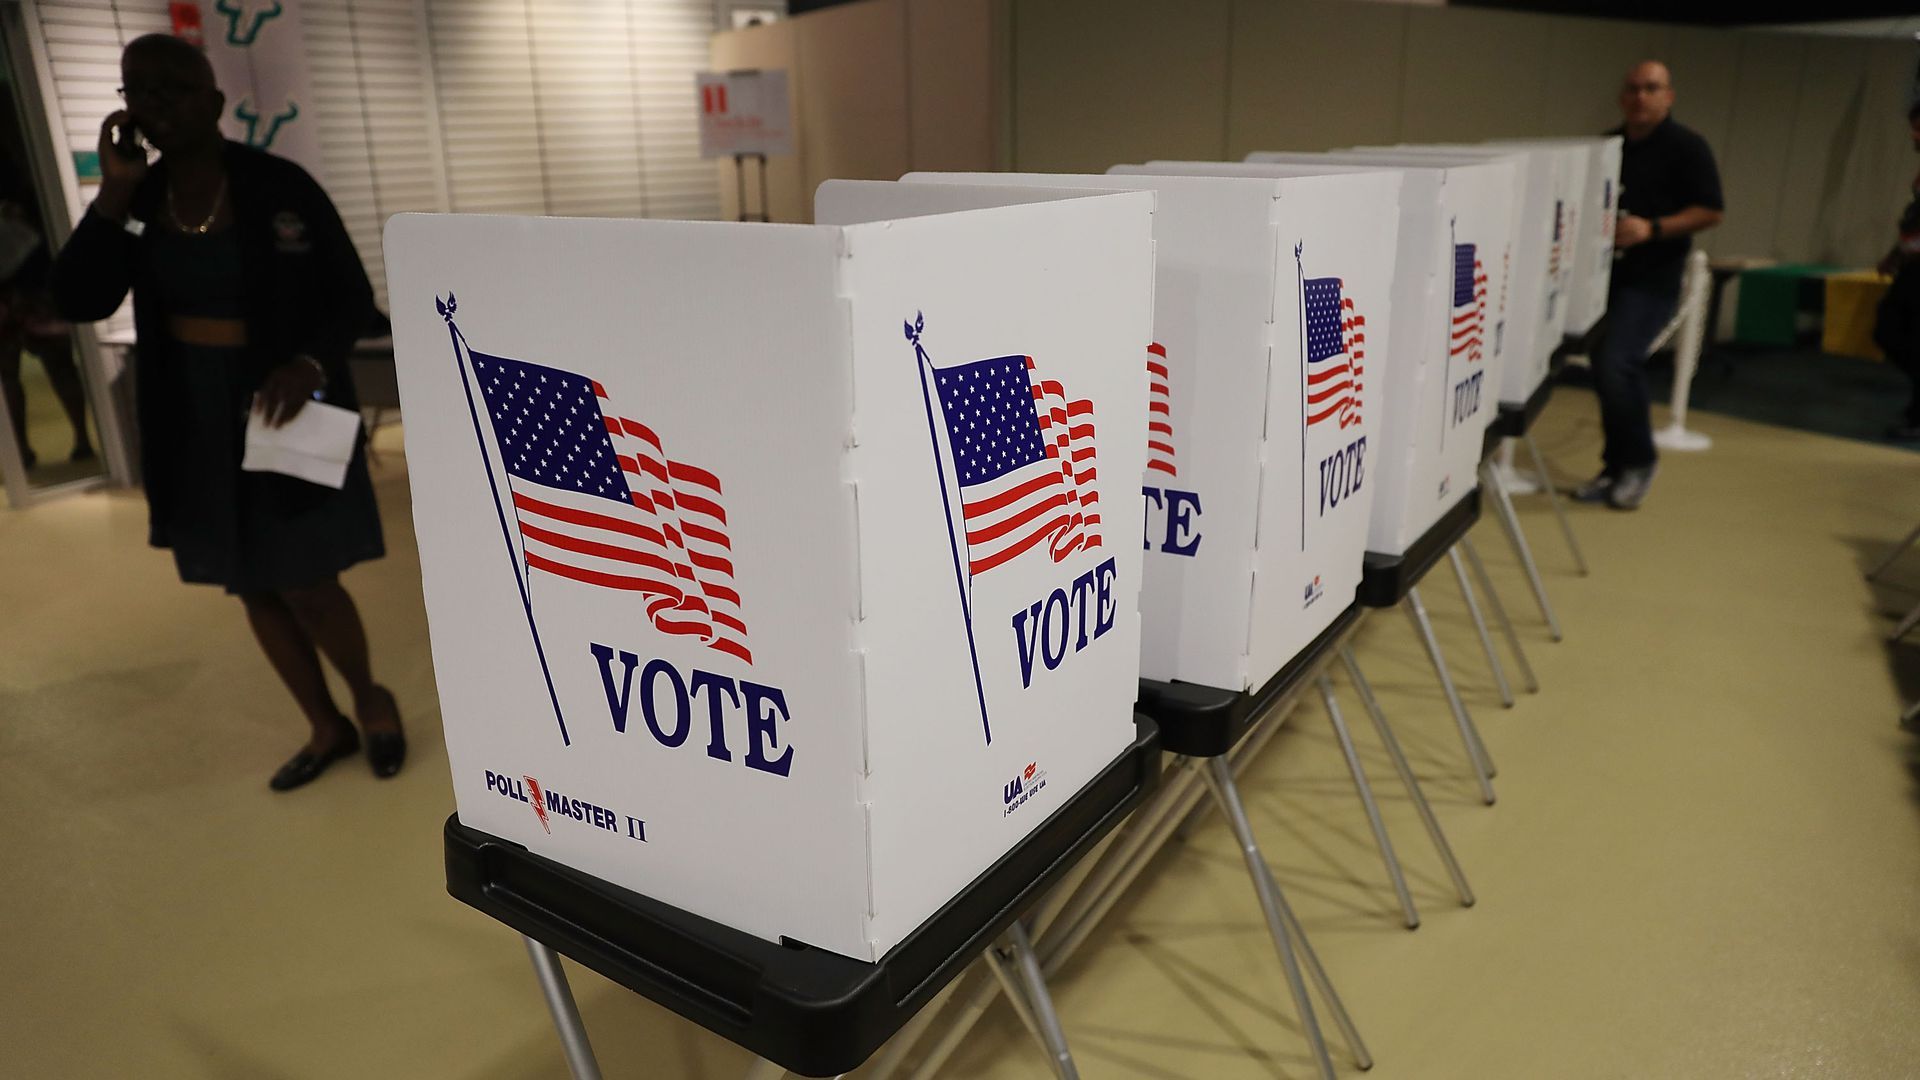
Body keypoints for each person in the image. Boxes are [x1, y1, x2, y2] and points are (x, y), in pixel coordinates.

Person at [51, 34, 404, 791]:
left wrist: (308, 363)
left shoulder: (280, 186)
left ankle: (370, 700)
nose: (154, 105)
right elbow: (78, 299)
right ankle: (324, 725)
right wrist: (113, 193)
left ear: (213, 101)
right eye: (137, 91)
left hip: (288, 405)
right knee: (250, 580)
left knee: (309, 578)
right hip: (194, 416)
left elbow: (352, 301)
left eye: (172, 88)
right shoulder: (138, 203)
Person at [1575, 60, 1724, 511]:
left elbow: (1711, 210)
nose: (1641, 97)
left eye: (1651, 88)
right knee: (1603, 364)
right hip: (1603, 280)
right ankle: (1615, 464)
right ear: (1623, 97)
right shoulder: (1607, 147)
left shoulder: (1687, 148)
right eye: (1634, 89)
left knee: (1619, 362)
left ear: (1668, 96)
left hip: (1652, 280)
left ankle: (1639, 461)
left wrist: (1652, 229)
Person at [1874, 103, 1920, 440]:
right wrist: (1895, 255)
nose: (1913, 136)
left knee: (1899, 333)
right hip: (1911, 268)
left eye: (1919, 128)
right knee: (1889, 330)